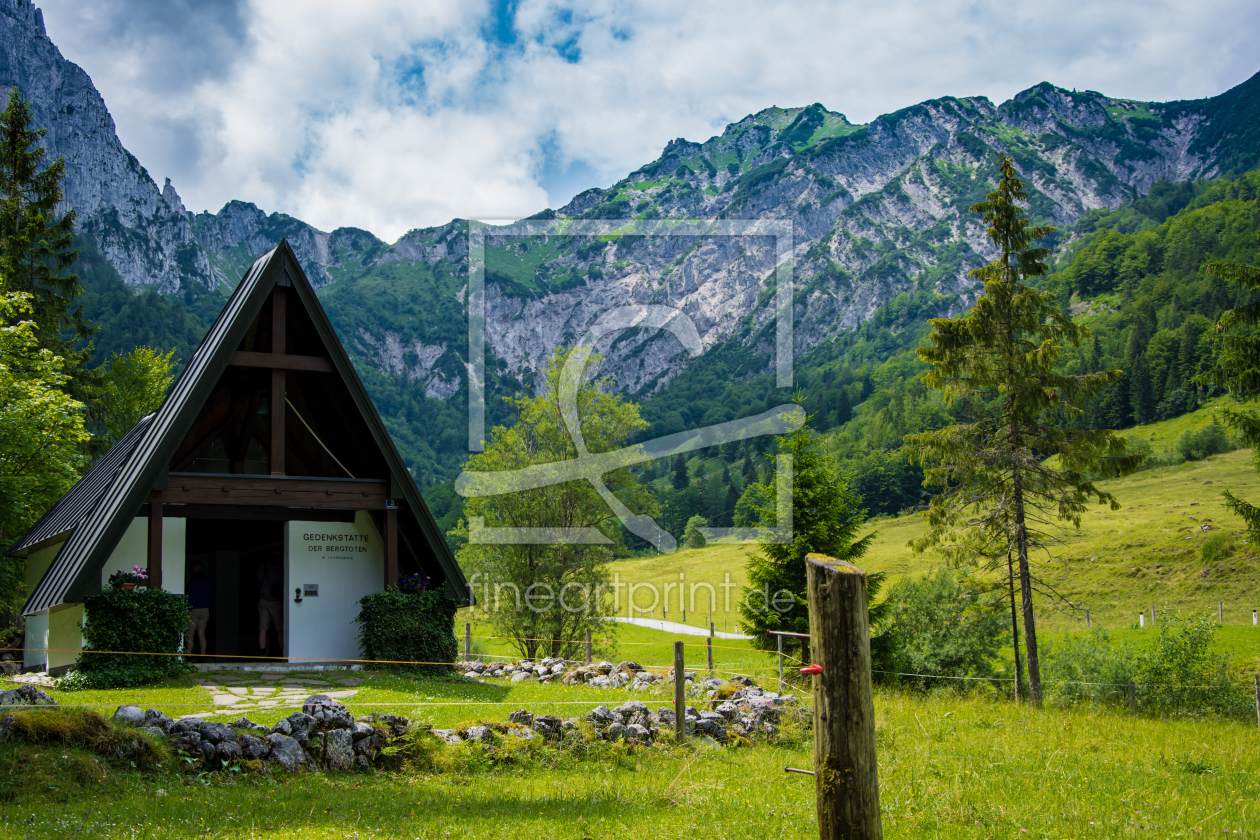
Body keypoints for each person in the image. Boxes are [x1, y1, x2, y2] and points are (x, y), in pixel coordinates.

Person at [257, 553, 284, 655]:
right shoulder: (278, 568)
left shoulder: (260, 568)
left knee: (263, 629)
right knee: (280, 629)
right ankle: (283, 653)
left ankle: (262, 654)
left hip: (262, 601)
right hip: (275, 602)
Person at [186, 561, 213, 657]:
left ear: (196, 568)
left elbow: (190, 596)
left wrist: (187, 608)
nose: (190, 570)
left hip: (194, 609)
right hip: (205, 609)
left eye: (192, 567)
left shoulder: (193, 580)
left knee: (190, 633)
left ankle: (188, 656)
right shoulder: (208, 580)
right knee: (202, 634)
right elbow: (211, 596)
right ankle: (202, 656)